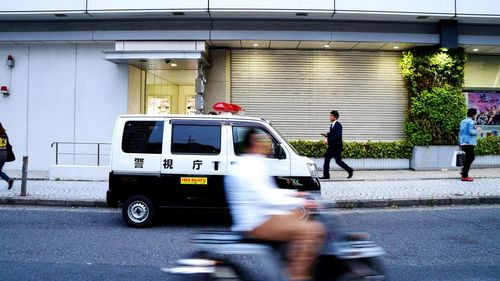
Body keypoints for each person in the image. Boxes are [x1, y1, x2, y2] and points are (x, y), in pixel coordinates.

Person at [225, 128, 326, 281]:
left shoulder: (253, 162)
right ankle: (297, 276)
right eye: (264, 140)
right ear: (254, 143)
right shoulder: (249, 167)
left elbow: (269, 192)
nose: (268, 144)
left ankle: (290, 257)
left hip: (262, 215)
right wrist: (300, 200)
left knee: (302, 216)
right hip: (257, 222)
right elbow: (267, 198)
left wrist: (297, 194)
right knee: (313, 230)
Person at [321, 110, 353, 179]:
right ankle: (349, 170)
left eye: (331, 116)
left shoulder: (338, 125)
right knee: (334, 160)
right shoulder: (333, 125)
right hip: (333, 146)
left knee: (333, 160)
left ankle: (326, 175)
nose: (329, 117)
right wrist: (327, 135)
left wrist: (328, 141)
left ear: (335, 117)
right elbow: (333, 134)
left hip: (336, 147)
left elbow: (337, 136)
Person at [459, 108, 482, 182]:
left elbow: (461, 132)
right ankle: (464, 175)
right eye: (475, 114)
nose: (475, 116)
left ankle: (464, 171)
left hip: (463, 142)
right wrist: (478, 130)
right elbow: (471, 132)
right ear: (473, 115)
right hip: (469, 142)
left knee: (469, 158)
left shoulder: (463, 121)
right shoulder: (471, 122)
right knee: (471, 158)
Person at [0, 122, 14, 190]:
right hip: (4, 155)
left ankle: (8, 179)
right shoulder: (4, 134)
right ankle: (8, 180)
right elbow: (8, 145)